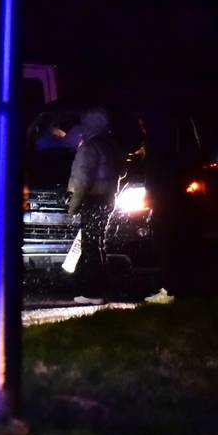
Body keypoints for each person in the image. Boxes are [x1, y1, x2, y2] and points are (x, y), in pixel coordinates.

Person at [66, 106, 120, 305]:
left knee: (90, 246)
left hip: (92, 199)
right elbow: (121, 171)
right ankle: (101, 288)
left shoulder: (88, 147)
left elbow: (82, 181)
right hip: (108, 198)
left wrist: (73, 205)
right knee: (99, 243)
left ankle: (92, 292)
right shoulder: (110, 146)